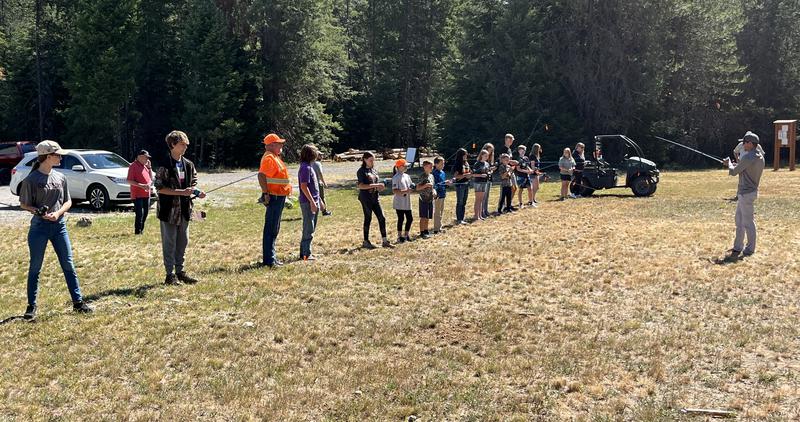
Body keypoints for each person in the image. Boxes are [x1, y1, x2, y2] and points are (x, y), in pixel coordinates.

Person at [18, 141, 93, 321]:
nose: (60, 157)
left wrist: (58, 213)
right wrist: (38, 212)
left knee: (68, 264)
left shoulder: (60, 177)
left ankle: (78, 302)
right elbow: (24, 203)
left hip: (59, 227)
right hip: (39, 228)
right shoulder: (31, 180)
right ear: (46, 156)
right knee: (35, 267)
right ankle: (31, 307)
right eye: (57, 155)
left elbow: (68, 202)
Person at [155, 130, 206, 284]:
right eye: (182, 144)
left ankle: (180, 271)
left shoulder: (189, 165)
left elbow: (193, 182)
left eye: (186, 144)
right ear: (172, 145)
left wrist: (197, 192)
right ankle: (169, 275)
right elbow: (159, 188)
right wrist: (181, 192)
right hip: (168, 211)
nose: (185, 147)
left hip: (185, 210)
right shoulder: (164, 164)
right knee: (169, 242)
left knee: (183, 241)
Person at [723, 131, 765, 258]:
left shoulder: (748, 157)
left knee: (747, 222)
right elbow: (744, 168)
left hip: (745, 193)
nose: (742, 145)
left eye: (744, 143)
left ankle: (750, 249)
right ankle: (737, 247)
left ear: (751, 144)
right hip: (750, 192)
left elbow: (734, 172)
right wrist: (737, 165)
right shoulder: (759, 156)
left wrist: (728, 163)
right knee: (739, 220)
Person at [258, 133, 292, 267]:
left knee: (274, 227)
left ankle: (272, 257)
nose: (281, 145)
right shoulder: (269, 158)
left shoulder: (274, 157)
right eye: (279, 143)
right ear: (271, 145)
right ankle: (269, 260)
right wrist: (265, 193)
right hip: (274, 196)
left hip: (278, 196)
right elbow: (261, 176)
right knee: (271, 228)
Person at [357, 152, 393, 249]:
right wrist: (376, 185)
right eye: (370, 160)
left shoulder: (374, 170)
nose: (373, 162)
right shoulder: (361, 171)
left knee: (382, 218)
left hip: (375, 198)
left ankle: (385, 241)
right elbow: (361, 186)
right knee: (368, 218)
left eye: (373, 160)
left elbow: (375, 183)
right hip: (366, 198)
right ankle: (366, 241)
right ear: (365, 160)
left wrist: (379, 187)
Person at [298, 144, 323, 261]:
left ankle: (306, 252)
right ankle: (306, 255)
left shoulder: (309, 166)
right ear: (310, 154)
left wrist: (320, 201)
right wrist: (312, 202)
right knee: (309, 228)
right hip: (308, 202)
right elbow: (304, 187)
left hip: (313, 201)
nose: (317, 153)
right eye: (315, 151)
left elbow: (314, 187)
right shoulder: (305, 168)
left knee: (311, 228)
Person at [127, 149, 153, 235]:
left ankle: (141, 230)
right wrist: (141, 185)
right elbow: (129, 181)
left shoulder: (145, 166)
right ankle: (137, 232)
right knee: (139, 214)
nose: (147, 159)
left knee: (145, 213)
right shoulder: (133, 166)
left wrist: (149, 168)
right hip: (137, 195)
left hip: (146, 194)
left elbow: (151, 179)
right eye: (146, 157)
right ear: (139, 157)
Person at [392, 159, 414, 243]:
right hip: (399, 202)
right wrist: (406, 191)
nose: (406, 167)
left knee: (410, 218)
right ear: (400, 167)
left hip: (407, 201)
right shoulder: (396, 177)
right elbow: (395, 191)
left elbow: (411, 185)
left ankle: (406, 235)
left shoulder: (407, 176)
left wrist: (412, 188)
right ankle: (399, 236)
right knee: (401, 219)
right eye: (405, 165)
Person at [497, 134, 518, 212]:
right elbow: (501, 160)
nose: (512, 142)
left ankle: (508, 205)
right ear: (506, 140)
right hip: (505, 171)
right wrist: (513, 162)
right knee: (509, 189)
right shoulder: (503, 149)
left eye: (512, 140)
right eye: (510, 140)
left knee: (514, 188)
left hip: (510, 170)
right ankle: (503, 206)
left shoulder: (509, 149)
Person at [416, 160, 436, 239]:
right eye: (430, 166)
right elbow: (417, 188)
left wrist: (434, 191)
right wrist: (425, 185)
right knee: (423, 216)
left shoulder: (431, 176)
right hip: (423, 199)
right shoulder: (422, 176)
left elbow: (432, 187)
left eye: (432, 166)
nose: (432, 168)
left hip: (430, 199)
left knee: (428, 216)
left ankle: (426, 230)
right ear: (425, 167)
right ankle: (422, 232)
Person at [432, 156, 451, 234]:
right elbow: (434, 185)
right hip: (437, 195)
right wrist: (444, 183)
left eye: (443, 163)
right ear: (436, 164)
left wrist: (447, 184)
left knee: (441, 211)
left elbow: (443, 184)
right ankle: (436, 229)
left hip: (443, 194)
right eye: (441, 164)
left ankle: (439, 226)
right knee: (437, 212)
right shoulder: (433, 173)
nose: (443, 165)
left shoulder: (443, 173)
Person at [453, 149, 472, 225]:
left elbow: (469, 172)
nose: (466, 156)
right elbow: (456, 176)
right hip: (460, 185)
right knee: (460, 202)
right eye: (465, 155)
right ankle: (459, 219)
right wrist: (464, 175)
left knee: (464, 202)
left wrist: (470, 175)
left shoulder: (466, 163)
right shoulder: (457, 164)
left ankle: (462, 218)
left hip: (466, 183)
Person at [472, 149, 491, 220]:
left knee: (481, 199)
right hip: (478, 182)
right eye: (485, 155)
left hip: (485, 182)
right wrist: (481, 175)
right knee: (478, 199)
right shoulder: (477, 164)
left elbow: (487, 171)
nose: (486, 157)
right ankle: (476, 216)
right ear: (481, 155)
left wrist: (489, 173)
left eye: (487, 156)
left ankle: (480, 215)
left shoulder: (487, 164)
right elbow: (473, 174)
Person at [312, 151, 332, 216]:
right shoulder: (318, 163)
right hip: (318, 183)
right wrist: (324, 182)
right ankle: (324, 211)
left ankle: (313, 211)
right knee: (322, 197)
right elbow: (320, 173)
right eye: (320, 155)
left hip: (312, 184)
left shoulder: (310, 162)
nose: (322, 156)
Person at [481, 143, 495, 218]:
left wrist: (492, 169)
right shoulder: (481, 159)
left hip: (489, 178)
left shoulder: (490, 158)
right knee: (483, 196)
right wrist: (489, 170)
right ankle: (482, 211)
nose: (490, 152)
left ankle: (485, 210)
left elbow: (490, 167)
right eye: (489, 150)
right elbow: (482, 170)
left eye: (491, 151)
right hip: (482, 180)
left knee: (487, 196)